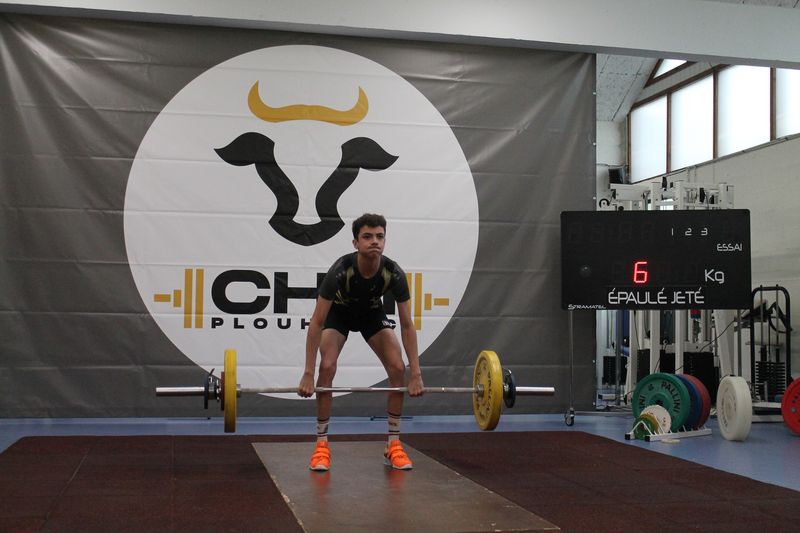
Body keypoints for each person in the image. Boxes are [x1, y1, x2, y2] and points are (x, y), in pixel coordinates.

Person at [298, 213, 424, 471]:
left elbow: (407, 325)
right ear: (355, 243)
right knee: (327, 366)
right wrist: (308, 373)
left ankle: (393, 444)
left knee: (397, 368)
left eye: (379, 236)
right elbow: (317, 323)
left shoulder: (393, 273)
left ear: (385, 241)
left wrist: (416, 374)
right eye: (367, 236)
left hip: (371, 314)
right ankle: (321, 445)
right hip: (339, 315)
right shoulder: (340, 270)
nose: (374, 241)